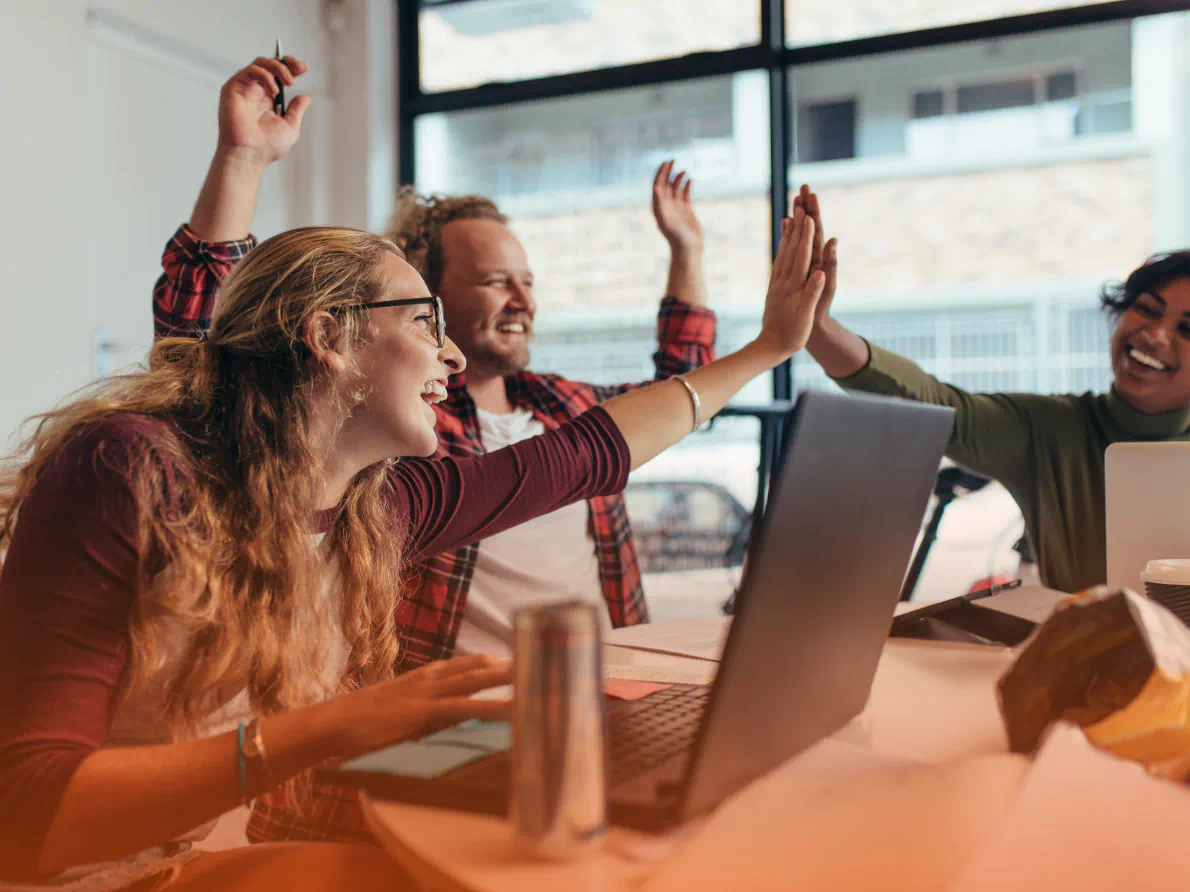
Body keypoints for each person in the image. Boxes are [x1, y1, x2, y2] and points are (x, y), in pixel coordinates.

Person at [0, 195, 825, 888]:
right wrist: (336, 726)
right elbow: (27, 810)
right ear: (329, 337)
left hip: (192, 861)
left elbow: (586, 452)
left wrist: (770, 350)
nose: (452, 355)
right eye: (428, 321)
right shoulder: (128, 470)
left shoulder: (376, 507)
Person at [154, 56, 717, 672]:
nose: (523, 300)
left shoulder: (563, 405)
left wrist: (687, 252)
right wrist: (241, 161)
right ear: (430, 291)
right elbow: (214, 344)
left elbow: (680, 396)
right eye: (495, 281)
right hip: (453, 708)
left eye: (527, 282)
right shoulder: (394, 426)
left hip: (598, 687)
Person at [794, 184, 1190, 595]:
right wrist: (818, 328)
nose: (1155, 335)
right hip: (1081, 638)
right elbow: (933, 403)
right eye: (1147, 309)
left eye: (1187, 329)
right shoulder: (1051, 429)